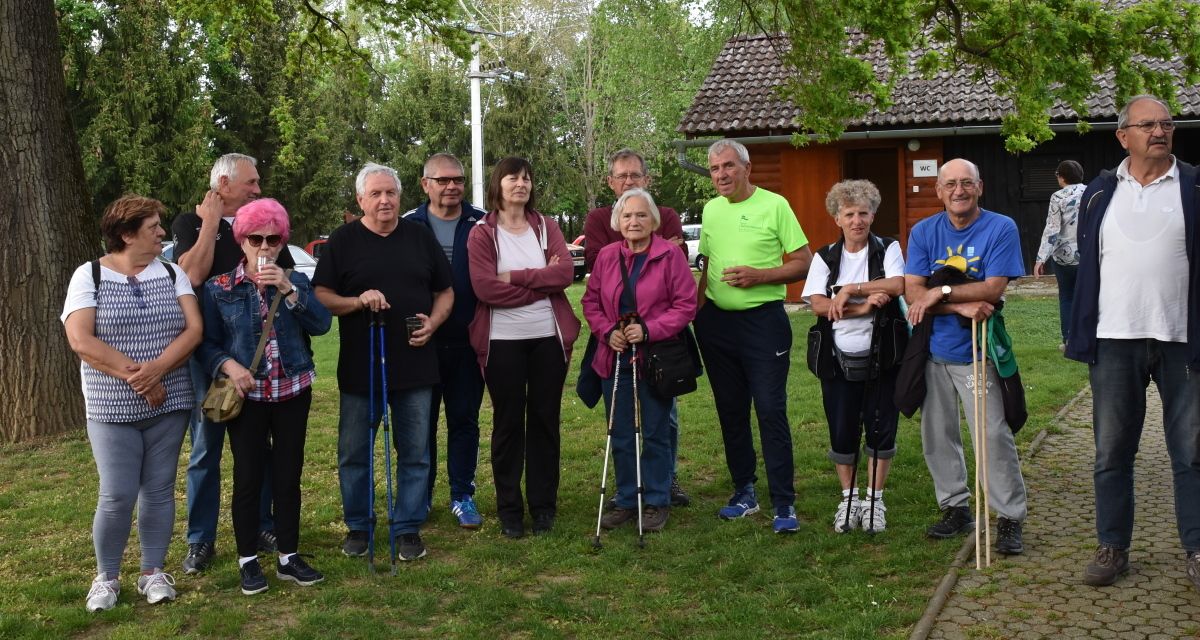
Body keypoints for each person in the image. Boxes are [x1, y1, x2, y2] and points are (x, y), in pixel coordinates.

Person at [1065, 95, 1200, 591]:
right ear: (1123, 136)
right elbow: (1087, 262)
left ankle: (1197, 548)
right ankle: (1112, 546)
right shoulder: (1100, 193)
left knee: (1191, 451)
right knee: (1111, 452)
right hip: (1114, 339)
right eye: (1147, 125)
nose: (1159, 131)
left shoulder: (1194, 185)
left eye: (1166, 124)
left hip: (1182, 339)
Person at [62, 195, 201, 611]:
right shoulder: (89, 275)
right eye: (153, 226)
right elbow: (81, 339)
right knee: (117, 494)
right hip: (110, 408)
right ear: (126, 234)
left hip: (169, 402)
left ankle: (152, 572)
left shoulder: (173, 273)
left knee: (158, 491)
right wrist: (139, 378)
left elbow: (194, 330)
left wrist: (157, 370)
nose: (162, 233)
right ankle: (106, 578)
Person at [314, 162, 453, 562]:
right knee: (354, 453)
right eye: (375, 194)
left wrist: (434, 322)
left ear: (400, 196)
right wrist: (357, 301)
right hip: (362, 366)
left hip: (415, 363)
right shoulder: (343, 240)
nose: (384, 200)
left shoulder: (420, 237)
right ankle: (359, 526)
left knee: (415, 453)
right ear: (361, 200)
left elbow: (445, 291)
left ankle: (408, 527)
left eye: (390, 192)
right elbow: (322, 295)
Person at [197, 198, 332, 595]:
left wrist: (288, 290)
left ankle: (289, 556)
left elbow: (322, 325)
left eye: (273, 239)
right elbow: (206, 344)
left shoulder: (296, 281)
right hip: (248, 397)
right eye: (255, 239)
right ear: (242, 241)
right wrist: (229, 366)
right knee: (248, 478)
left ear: (282, 240)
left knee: (288, 477)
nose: (264, 247)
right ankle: (248, 560)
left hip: (292, 391)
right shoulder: (220, 288)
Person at [173, 153, 295, 573]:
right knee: (206, 447)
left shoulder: (264, 225)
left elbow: (285, 283)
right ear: (223, 184)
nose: (258, 189)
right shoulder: (190, 224)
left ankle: (262, 525)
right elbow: (191, 276)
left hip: (259, 359)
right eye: (250, 182)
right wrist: (210, 225)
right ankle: (200, 539)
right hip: (210, 354)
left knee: (258, 447)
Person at [904, 158, 1027, 555]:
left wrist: (939, 293)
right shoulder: (924, 231)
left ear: (980, 187)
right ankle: (955, 507)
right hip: (932, 353)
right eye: (951, 184)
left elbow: (992, 288)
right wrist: (958, 305)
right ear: (939, 191)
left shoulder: (1001, 227)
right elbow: (912, 293)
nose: (959, 191)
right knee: (938, 435)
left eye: (967, 183)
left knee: (991, 435)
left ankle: (1009, 516)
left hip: (978, 350)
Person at [693, 139, 812, 534]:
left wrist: (760, 276)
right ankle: (744, 491)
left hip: (763, 322)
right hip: (716, 325)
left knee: (770, 409)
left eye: (728, 166)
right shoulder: (711, 210)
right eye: (714, 168)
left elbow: (803, 262)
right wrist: (697, 310)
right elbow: (707, 263)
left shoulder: (774, 205)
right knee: (730, 409)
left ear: (747, 168)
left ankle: (783, 501)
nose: (721, 174)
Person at [467, 157, 581, 539]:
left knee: (545, 421)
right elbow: (485, 288)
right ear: (498, 185)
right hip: (502, 342)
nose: (521, 184)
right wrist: (540, 285)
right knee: (508, 424)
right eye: (513, 178)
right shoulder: (482, 234)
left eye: (527, 178)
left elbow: (564, 274)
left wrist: (514, 276)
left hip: (547, 338)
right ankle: (510, 511)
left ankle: (544, 508)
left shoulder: (547, 227)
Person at [584, 188, 697, 533]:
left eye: (641, 215)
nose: (634, 221)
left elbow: (685, 305)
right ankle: (626, 498)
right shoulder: (607, 256)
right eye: (628, 215)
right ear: (618, 221)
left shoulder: (670, 255)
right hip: (614, 355)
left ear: (654, 221)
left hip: (656, 358)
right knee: (619, 431)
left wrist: (648, 330)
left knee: (656, 431)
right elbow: (591, 303)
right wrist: (607, 332)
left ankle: (657, 500)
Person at [802, 180, 905, 534]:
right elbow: (818, 304)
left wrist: (849, 290)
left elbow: (897, 285)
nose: (857, 221)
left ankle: (875, 501)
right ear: (837, 218)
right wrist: (864, 308)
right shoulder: (825, 256)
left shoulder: (888, 248)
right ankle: (849, 499)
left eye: (863, 213)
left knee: (881, 428)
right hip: (835, 359)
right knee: (842, 429)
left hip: (884, 355)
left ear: (873, 215)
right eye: (849, 214)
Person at [403, 153, 487, 529]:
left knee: (464, 420)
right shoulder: (409, 224)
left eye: (458, 180)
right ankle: (419, 496)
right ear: (426, 184)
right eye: (443, 180)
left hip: (468, 341)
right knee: (421, 424)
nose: (452, 186)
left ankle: (462, 495)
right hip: (422, 343)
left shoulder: (482, 222)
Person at [1033, 160, 1086, 348]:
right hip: (1087, 255)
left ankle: (1069, 340)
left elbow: (1052, 229)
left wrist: (1041, 259)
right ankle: (1090, 338)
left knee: (1067, 297)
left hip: (1063, 257)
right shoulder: (1091, 192)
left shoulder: (1057, 197)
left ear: (1061, 177)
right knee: (1088, 296)